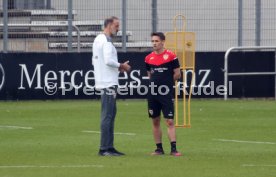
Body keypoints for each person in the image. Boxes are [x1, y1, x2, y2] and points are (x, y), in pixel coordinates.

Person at [92, 16, 131, 156]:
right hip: (108, 83)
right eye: (116, 25)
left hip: (104, 81)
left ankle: (109, 146)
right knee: (108, 115)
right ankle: (104, 148)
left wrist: (117, 68)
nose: (118, 28)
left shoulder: (98, 39)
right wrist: (122, 66)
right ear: (108, 25)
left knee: (110, 114)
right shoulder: (107, 41)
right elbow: (108, 60)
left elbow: (101, 61)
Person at [145, 32, 182, 156]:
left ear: (162, 42)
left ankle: (174, 149)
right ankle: (159, 149)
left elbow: (178, 74)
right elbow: (150, 75)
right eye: (152, 41)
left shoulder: (171, 56)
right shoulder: (148, 58)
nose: (154, 43)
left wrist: (166, 83)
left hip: (166, 93)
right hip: (153, 94)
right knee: (155, 121)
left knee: (169, 121)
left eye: (156, 41)